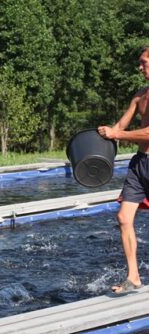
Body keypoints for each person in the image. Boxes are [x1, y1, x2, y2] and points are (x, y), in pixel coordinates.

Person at [97, 46, 149, 294]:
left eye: (144, 63)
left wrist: (118, 134)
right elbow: (120, 126)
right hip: (139, 165)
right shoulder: (139, 96)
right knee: (123, 218)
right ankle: (134, 277)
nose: (140, 68)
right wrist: (105, 134)